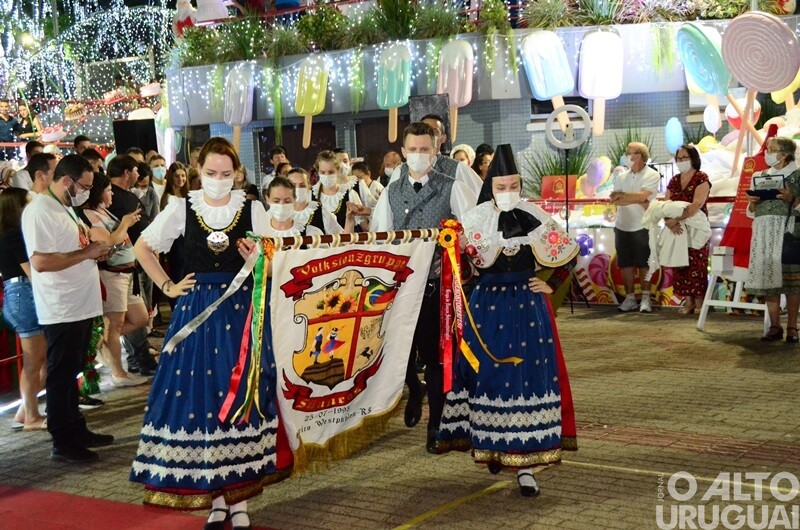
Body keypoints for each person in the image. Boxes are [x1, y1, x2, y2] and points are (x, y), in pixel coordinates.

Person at [131, 137, 286, 528]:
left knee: (243, 395)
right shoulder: (181, 208)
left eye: (226, 173)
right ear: (199, 172)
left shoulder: (252, 207)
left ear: (237, 174)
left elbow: (276, 254)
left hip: (241, 312)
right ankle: (216, 495)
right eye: (211, 173)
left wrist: (261, 257)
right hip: (196, 312)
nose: (219, 180)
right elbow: (142, 249)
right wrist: (167, 286)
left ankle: (240, 501)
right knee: (202, 400)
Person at [437, 144, 578, 497]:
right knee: (492, 377)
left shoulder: (535, 215)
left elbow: (569, 255)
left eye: (514, 185)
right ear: (491, 186)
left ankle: (526, 465)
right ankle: (495, 446)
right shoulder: (474, 219)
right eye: (502, 187)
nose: (509, 192)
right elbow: (464, 272)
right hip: (487, 309)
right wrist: (456, 252)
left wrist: (551, 284)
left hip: (528, 308)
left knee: (526, 379)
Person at [371, 121, 478, 453]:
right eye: (412, 150)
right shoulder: (391, 189)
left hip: (435, 286)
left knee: (434, 356)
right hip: (400, 286)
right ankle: (413, 391)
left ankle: (437, 425)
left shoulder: (452, 185)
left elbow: (473, 228)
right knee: (399, 353)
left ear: (436, 150)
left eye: (424, 150)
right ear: (403, 153)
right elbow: (379, 235)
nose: (418, 155)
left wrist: (460, 241)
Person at [21, 154, 113, 463]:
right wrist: (87, 252)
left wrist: (93, 253)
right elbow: (41, 261)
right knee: (61, 376)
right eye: (84, 186)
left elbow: (72, 250)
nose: (87, 191)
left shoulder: (65, 208)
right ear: (66, 181)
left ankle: (76, 428)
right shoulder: (38, 210)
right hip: (61, 306)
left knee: (72, 372)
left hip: (79, 302)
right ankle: (62, 440)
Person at [81, 172, 148, 387]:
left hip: (126, 273)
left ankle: (104, 344)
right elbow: (109, 241)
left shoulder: (103, 212)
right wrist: (125, 223)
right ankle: (118, 372)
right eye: (108, 190)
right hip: (112, 274)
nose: (112, 194)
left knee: (140, 318)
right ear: (99, 192)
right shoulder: (90, 214)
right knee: (115, 324)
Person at [0, 188, 47, 430]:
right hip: (23, 295)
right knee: (34, 361)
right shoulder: (13, 235)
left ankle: (25, 412)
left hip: (21, 295)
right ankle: (30, 416)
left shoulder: (14, 234)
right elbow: (32, 271)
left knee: (41, 359)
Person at [746, 137, 800, 342]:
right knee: (770, 280)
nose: (767, 153)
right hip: (763, 232)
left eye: (772, 149)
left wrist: (792, 199)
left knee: (791, 281)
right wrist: (752, 203)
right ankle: (775, 326)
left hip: (788, 232)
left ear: (785, 154)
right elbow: (751, 212)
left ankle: (793, 327)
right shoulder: (760, 175)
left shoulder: (797, 175)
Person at [107, 155, 156, 377]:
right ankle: (138, 358)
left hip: (132, 262)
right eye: (136, 170)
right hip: (119, 266)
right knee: (129, 317)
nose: (139, 174)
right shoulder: (115, 199)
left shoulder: (126, 196)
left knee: (139, 315)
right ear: (127, 172)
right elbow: (114, 235)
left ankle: (137, 356)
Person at [609, 142, 660, 313]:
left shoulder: (652, 175)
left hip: (643, 226)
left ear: (638, 155)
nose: (626, 156)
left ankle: (646, 298)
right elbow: (615, 198)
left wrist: (632, 197)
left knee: (644, 263)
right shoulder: (622, 176)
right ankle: (630, 298)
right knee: (625, 264)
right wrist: (637, 199)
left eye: (628, 153)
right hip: (622, 226)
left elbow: (643, 195)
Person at [664, 145, 711, 314]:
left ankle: (700, 304)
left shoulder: (701, 178)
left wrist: (678, 218)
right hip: (677, 229)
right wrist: (669, 220)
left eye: (685, 157)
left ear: (693, 158)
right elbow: (665, 204)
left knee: (697, 265)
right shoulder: (674, 180)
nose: (682, 161)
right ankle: (688, 302)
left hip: (696, 228)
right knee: (681, 263)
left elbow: (697, 204)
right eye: (679, 158)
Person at [388, 115, 483, 198]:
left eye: (434, 131)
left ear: (443, 138)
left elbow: (480, 200)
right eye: (424, 130)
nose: (429, 135)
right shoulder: (400, 171)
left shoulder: (458, 169)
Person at [312, 150, 362, 233]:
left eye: (331, 172)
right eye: (323, 172)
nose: (327, 176)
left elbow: (360, 228)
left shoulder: (350, 195)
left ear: (338, 170)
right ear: (318, 172)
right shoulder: (311, 196)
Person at [287, 167, 341, 235]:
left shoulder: (320, 210)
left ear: (309, 185)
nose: (297, 189)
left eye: (302, 185)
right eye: (293, 185)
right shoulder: (279, 213)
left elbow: (338, 236)